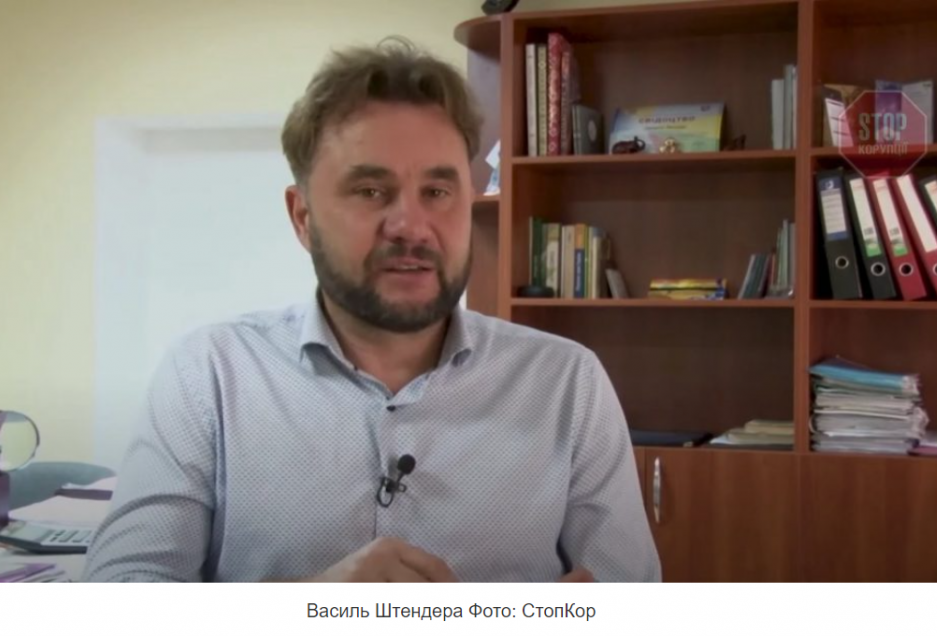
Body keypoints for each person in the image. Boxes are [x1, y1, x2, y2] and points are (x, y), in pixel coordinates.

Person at [83, 38, 660, 583]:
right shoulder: (209, 375)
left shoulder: (565, 384)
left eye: (438, 192)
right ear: (303, 218)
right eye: (370, 191)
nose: (410, 226)